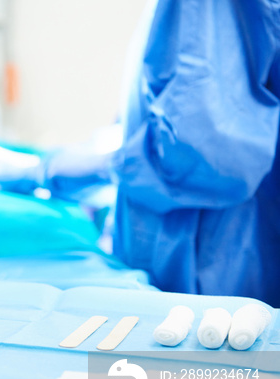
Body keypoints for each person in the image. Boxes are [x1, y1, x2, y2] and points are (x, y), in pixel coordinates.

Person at [112, 0, 280, 307]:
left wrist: (63, 169)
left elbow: (206, 155)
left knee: (202, 345)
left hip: (215, 260)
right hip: (229, 245)